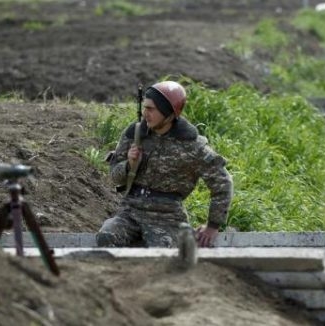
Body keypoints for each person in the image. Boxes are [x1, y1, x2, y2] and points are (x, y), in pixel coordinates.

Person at [96, 81, 233, 248]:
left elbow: (222, 183)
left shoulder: (191, 145)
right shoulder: (135, 134)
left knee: (161, 253)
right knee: (106, 236)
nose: (145, 113)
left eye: (151, 109)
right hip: (130, 212)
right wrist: (129, 165)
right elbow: (115, 178)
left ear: (169, 113)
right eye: (145, 107)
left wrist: (213, 226)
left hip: (167, 218)